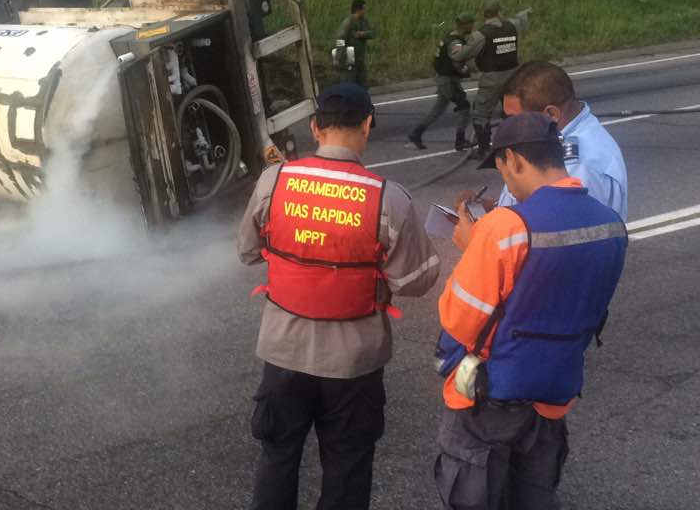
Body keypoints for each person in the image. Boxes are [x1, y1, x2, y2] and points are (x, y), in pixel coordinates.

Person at [238, 83, 440, 510]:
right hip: (354, 362)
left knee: (278, 455)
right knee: (347, 464)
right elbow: (417, 281)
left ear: (315, 127)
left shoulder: (274, 181)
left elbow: (248, 251)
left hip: (284, 352)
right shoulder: (389, 198)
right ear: (367, 125)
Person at [433, 112, 628, 510]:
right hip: (554, 393)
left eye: (503, 169)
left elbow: (458, 318)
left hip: (491, 398)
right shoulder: (610, 224)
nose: (506, 181)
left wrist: (476, 246)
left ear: (515, 160)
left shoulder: (505, 227)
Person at [495, 60, 627, 220]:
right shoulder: (555, 140)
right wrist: (493, 206)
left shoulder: (575, 166)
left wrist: (478, 235)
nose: (508, 126)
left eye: (514, 119)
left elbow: (555, 233)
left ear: (551, 114)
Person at [455, 0, 531, 155]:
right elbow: (522, 20)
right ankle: (515, 144)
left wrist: (459, 47)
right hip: (513, 76)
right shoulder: (512, 26)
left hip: (492, 78)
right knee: (511, 110)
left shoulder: (481, 34)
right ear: (499, 13)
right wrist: (527, 12)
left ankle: (484, 149)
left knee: (480, 114)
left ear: (484, 15)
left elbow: (460, 55)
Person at [407, 13, 476, 151]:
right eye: (471, 23)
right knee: (464, 107)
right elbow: (457, 61)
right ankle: (460, 140)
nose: (473, 26)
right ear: (465, 25)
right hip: (449, 81)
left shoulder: (449, 35)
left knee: (438, 110)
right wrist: (467, 70)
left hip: (443, 78)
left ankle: (416, 134)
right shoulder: (456, 42)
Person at [335, 0, 375, 87]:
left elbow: (372, 33)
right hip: (350, 58)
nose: (365, 11)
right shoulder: (348, 23)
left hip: (360, 58)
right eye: (364, 9)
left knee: (363, 83)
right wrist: (338, 58)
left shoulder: (364, 21)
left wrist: (362, 34)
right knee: (350, 82)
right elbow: (340, 40)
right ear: (358, 10)